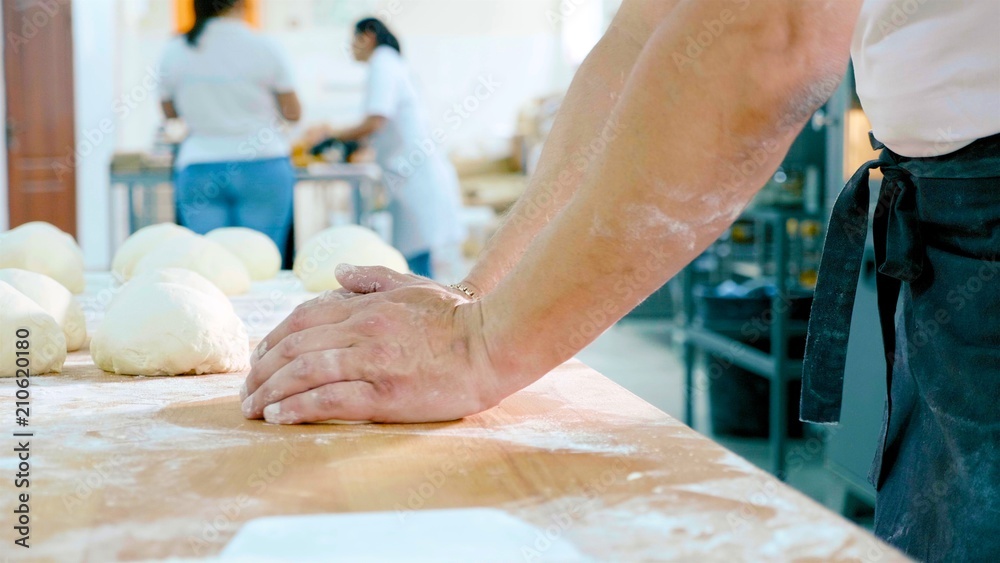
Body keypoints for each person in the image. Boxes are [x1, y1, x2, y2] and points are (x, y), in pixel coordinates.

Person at [240, 1, 999, 560]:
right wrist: (476, 298)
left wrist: (480, 348)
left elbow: (771, 34)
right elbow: (644, 35)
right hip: (947, 218)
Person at [308, 18, 465, 278]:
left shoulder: (382, 63)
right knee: (416, 254)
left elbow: (375, 120)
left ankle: (423, 312)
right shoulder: (390, 63)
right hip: (412, 172)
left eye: (353, 40)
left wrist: (330, 134)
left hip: (414, 176)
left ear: (367, 36)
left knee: (416, 258)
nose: (352, 48)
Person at [159, 0, 301, 262]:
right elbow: (292, 112)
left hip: (200, 165)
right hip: (263, 163)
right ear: (241, 4)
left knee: (209, 264)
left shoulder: (176, 49)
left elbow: (170, 112)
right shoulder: (265, 46)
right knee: (262, 263)